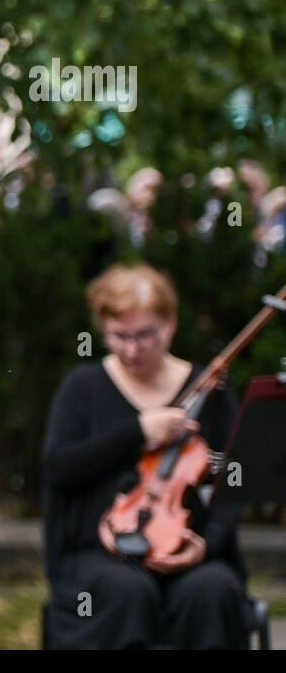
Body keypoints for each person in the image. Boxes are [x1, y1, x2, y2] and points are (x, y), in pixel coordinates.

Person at [42, 262, 248, 649]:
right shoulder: (82, 388)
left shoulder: (211, 390)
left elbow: (232, 479)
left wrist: (207, 544)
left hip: (189, 547)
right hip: (99, 553)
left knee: (212, 590)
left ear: (169, 325)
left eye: (145, 335)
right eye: (119, 336)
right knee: (127, 592)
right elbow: (59, 468)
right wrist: (137, 432)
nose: (132, 349)